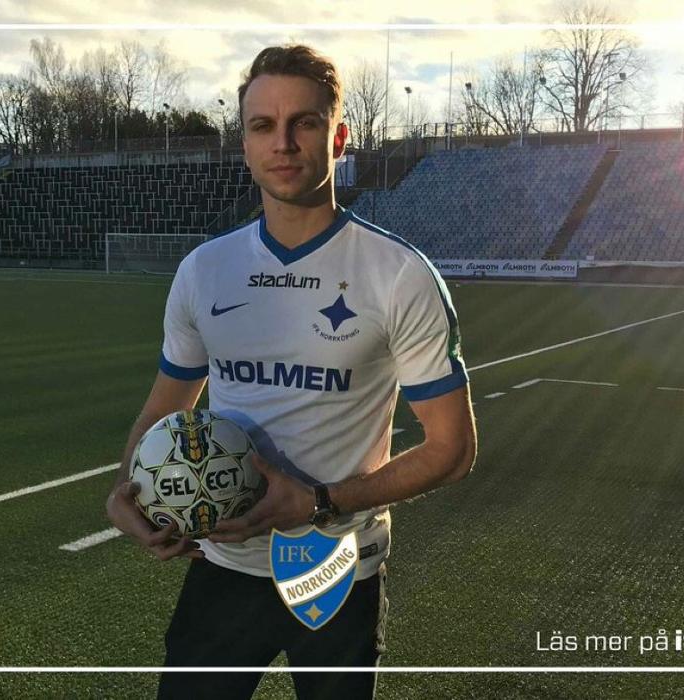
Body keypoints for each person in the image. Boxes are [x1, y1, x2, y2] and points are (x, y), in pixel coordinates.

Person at [106, 44, 477, 700]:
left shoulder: (398, 275)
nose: (282, 142)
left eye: (303, 123)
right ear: (244, 144)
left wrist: (319, 503)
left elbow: (452, 449)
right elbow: (165, 407)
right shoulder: (204, 271)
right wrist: (128, 487)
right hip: (224, 565)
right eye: (261, 126)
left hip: (334, 570)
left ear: (338, 137)